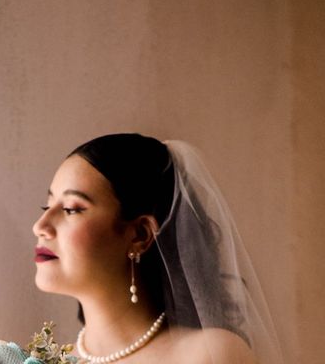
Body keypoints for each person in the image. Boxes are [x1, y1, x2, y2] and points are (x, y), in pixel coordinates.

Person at [32, 133, 283, 363]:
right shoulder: (46, 361)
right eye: (47, 207)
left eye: (71, 209)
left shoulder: (209, 354)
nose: (40, 226)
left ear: (140, 234)